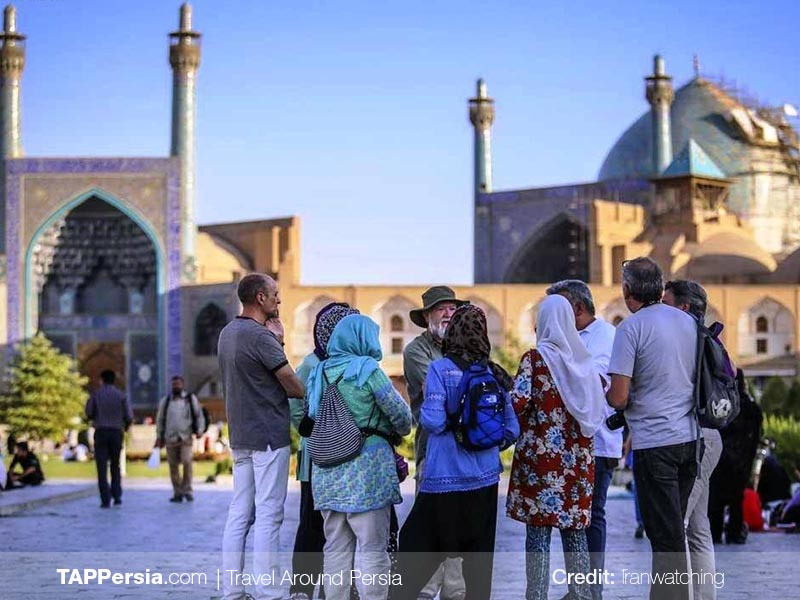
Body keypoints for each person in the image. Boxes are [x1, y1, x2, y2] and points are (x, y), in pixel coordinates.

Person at [396, 304, 518, 600]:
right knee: (478, 558)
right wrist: (485, 443)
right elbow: (513, 429)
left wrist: (431, 401)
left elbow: (433, 421)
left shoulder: (440, 369)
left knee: (417, 546)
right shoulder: (494, 372)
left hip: (444, 479)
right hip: (485, 480)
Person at [607, 257, 699, 600]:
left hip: (655, 444)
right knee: (674, 532)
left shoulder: (631, 329)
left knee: (666, 538)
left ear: (627, 289)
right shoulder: (689, 322)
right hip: (691, 440)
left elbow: (618, 397)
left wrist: (606, 391)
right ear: (660, 289)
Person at [305, 313, 412, 600]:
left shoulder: (319, 373)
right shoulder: (367, 370)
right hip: (367, 474)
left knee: (336, 549)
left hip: (327, 472)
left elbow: (313, 416)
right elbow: (402, 418)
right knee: (373, 548)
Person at [507, 294, 606, 600]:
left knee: (538, 535)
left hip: (541, 464)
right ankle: (582, 594)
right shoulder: (586, 364)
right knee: (575, 533)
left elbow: (518, 405)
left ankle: (536, 595)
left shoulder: (535, 361)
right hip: (578, 465)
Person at [218, 273, 305, 600]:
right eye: (275, 295)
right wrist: (279, 342)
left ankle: (232, 591)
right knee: (269, 513)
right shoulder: (260, 337)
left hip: (240, 436)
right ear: (260, 298)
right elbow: (294, 386)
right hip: (268, 435)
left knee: (239, 513)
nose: (279, 301)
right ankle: (270, 592)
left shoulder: (227, 333)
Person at [546, 280, 619, 600]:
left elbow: (597, 381)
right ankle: (579, 587)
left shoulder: (605, 336)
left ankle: (592, 589)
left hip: (597, 441)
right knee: (571, 517)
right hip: (568, 443)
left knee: (593, 514)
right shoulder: (566, 338)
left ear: (576, 308)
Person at [288, 301, 359, 600]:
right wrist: (319, 432)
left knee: (349, 530)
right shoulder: (309, 366)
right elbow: (294, 406)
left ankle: (341, 589)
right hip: (316, 460)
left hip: (351, 461)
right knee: (313, 527)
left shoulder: (358, 364)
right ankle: (302, 589)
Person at [402, 285, 467, 600]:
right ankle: (426, 588)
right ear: (427, 315)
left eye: (452, 308)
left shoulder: (470, 347)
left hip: (465, 452)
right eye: (440, 308)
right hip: (433, 449)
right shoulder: (416, 351)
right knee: (431, 521)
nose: (447, 313)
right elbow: (440, 397)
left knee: (457, 523)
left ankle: (454, 591)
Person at [662, 279, 724, 600]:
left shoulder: (686, 342)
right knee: (698, 527)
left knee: (677, 525)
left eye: (666, 302)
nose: (661, 309)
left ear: (683, 308)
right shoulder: (711, 340)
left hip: (696, 439)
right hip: (711, 436)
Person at [708, 369, 762, 544]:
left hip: (722, 459)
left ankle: (715, 533)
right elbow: (757, 435)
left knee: (715, 499)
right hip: (743, 461)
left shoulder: (725, 404)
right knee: (737, 499)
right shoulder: (752, 407)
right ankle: (734, 532)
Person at [85, 370, 133, 508]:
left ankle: (105, 498)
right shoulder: (121, 395)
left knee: (101, 467)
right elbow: (129, 416)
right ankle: (117, 495)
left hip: (101, 432)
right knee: (115, 465)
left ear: (102, 380)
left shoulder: (96, 395)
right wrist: (123, 427)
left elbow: (89, 412)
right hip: (116, 431)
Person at [155, 375, 206, 503]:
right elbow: (160, 420)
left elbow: (199, 415)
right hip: (170, 438)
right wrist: (159, 437)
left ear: (182, 385)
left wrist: (200, 430)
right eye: (174, 384)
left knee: (187, 462)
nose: (176, 386)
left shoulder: (190, 399)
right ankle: (177, 492)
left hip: (186, 437)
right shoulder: (165, 401)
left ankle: (187, 490)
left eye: (178, 384)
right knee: (173, 466)